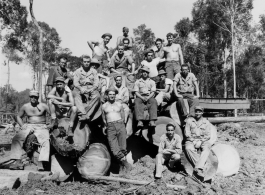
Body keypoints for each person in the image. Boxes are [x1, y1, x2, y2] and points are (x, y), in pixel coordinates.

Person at [9, 90, 50, 170]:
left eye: (35, 97)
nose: (33, 98)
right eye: (32, 97)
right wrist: (22, 125)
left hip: (41, 126)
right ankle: (17, 162)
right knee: (16, 139)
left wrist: (50, 125)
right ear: (29, 97)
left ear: (38, 97)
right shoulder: (25, 106)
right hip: (29, 125)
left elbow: (53, 115)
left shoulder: (44, 106)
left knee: (45, 141)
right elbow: (18, 116)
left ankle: (41, 163)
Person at [102, 87, 132, 173]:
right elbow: (104, 118)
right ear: (107, 95)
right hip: (110, 127)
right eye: (110, 94)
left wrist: (122, 125)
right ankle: (126, 163)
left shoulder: (119, 104)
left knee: (123, 147)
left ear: (116, 95)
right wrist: (105, 126)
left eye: (113, 94)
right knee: (114, 149)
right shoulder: (104, 106)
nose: (112, 96)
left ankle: (122, 168)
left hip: (120, 125)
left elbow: (123, 116)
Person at [184, 106, 212, 177]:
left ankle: (197, 167)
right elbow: (187, 133)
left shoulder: (206, 122)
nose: (198, 113)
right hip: (191, 140)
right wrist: (193, 140)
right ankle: (200, 167)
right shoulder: (189, 121)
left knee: (207, 148)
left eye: (199, 111)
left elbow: (208, 135)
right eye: (196, 111)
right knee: (188, 148)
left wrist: (201, 141)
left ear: (202, 112)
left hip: (202, 140)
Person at [73, 55, 101, 121]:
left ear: (90, 62)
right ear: (82, 62)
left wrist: (92, 89)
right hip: (81, 87)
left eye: (88, 62)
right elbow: (76, 83)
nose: (86, 63)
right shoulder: (78, 71)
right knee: (75, 93)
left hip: (91, 88)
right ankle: (82, 113)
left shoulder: (94, 71)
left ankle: (87, 114)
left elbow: (96, 82)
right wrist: (80, 88)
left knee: (97, 96)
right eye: (85, 62)